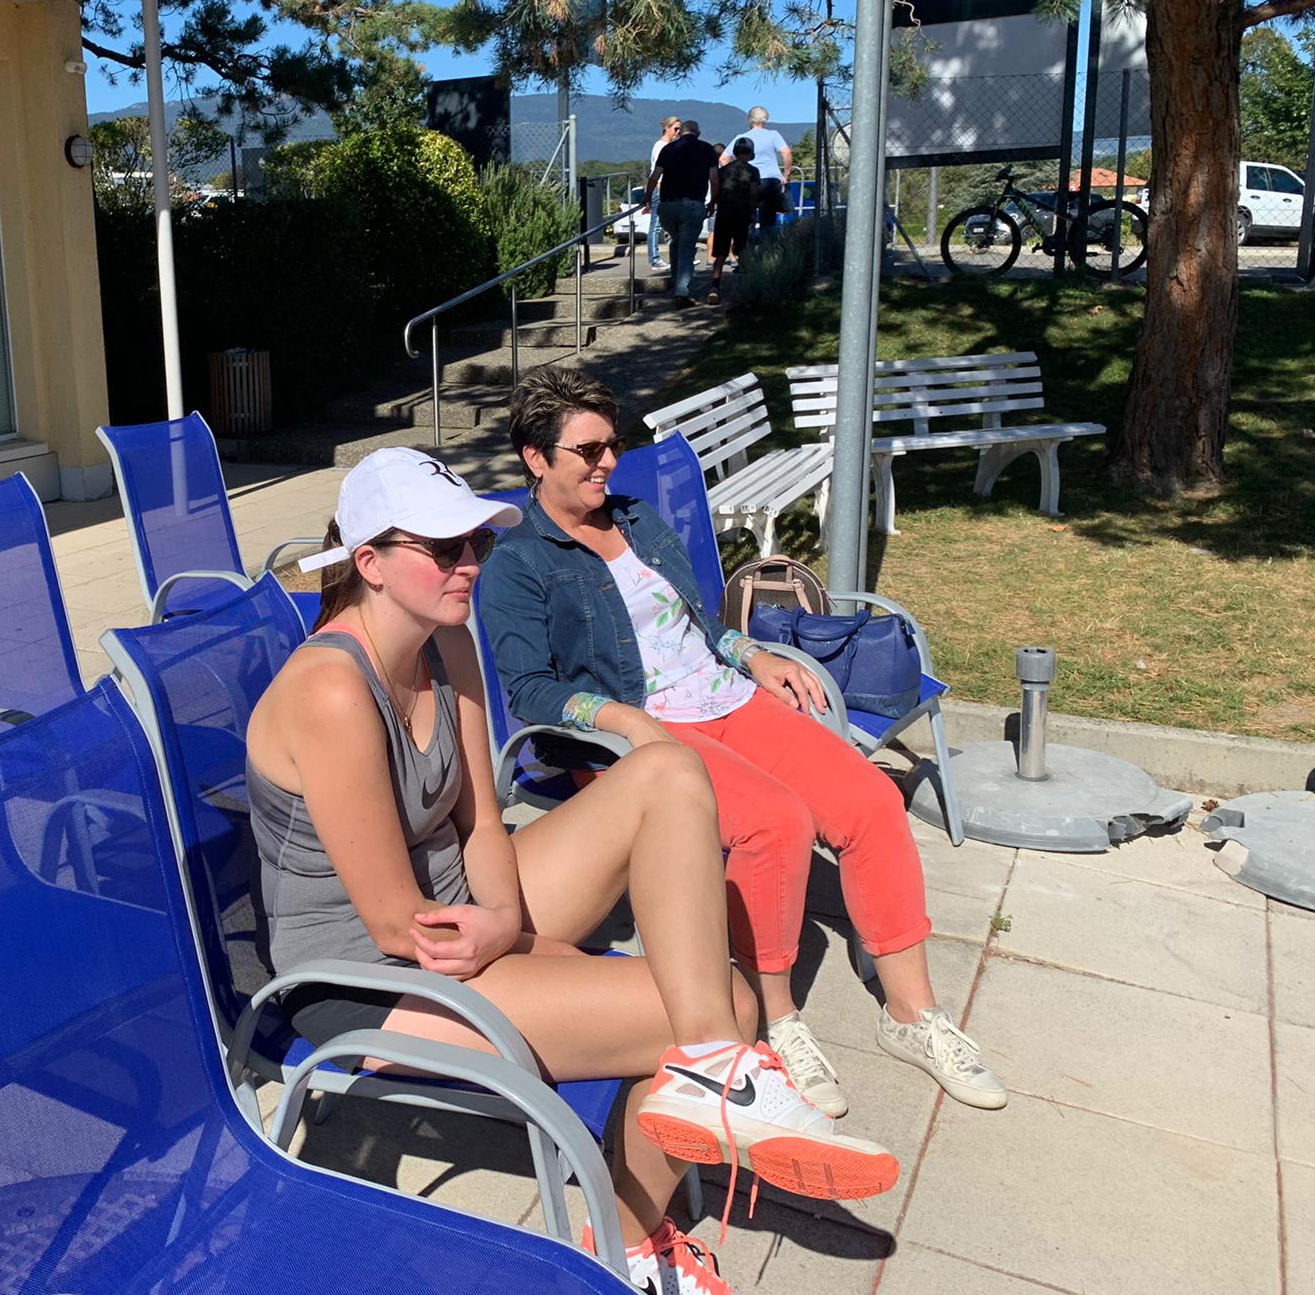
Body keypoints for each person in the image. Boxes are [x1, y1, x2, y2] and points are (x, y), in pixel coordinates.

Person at [248, 448, 900, 1295]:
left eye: (477, 543)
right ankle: (631, 1241)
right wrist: (522, 947)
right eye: (443, 549)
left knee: (667, 772)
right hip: (369, 974)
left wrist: (505, 922)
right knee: (728, 1005)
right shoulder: (332, 691)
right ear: (369, 562)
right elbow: (394, 925)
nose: (469, 565)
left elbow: (483, 822)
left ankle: (708, 1077)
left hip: (460, 914)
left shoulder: (446, 641)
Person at [476, 371, 1010, 1124]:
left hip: (725, 697)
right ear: (536, 457)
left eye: (613, 444)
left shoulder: (636, 520)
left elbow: (696, 624)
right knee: (773, 823)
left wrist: (751, 653)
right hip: (641, 736)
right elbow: (531, 690)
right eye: (588, 450)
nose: (608, 462)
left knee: (868, 801)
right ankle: (775, 1018)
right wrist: (623, 719)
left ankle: (912, 1014)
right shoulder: (519, 564)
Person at [643, 119, 718, 307]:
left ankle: (675, 284)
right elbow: (714, 179)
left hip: (668, 205)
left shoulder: (668, 149)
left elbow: (654, 177)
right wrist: (713, 202)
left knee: (676, 242)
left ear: (680, 132)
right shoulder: (706, 149)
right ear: (697, 133)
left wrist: (648, 197)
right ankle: (681, 292)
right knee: (686, 248)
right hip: (693, 204)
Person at [705, 139, 761, 304]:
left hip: (724, 213)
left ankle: (714, 287)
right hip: (743, 213)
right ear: (750, 153)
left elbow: (716, 189)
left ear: (735, 153)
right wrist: (753, 212)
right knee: (743, 250)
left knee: (721, 253)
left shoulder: (723, 170)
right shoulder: (753, 171)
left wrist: (713, 203)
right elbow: (753, 193)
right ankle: (747, 287)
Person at [722, 107, 792, 232]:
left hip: (747, 180)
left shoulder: (742, 138)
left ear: (750, 119)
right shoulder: (773, 135)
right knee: (768, 219)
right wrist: (786, 175)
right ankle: (767, 242)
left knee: (747, 217)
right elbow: (786, 153)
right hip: (770, 181)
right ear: (766, 119)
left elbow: (723, 158)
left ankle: (747, 242)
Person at [644, 115, 679, 268]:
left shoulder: (670, 146)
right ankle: (654, 258)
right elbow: (657, 171)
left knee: (673, 224)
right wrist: (657, 189)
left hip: (669, 188)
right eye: (675, 129)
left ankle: (678, 256)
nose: (677, 132)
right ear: (667, 128)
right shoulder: (660, 146)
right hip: (661, 188)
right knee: (656, 225)